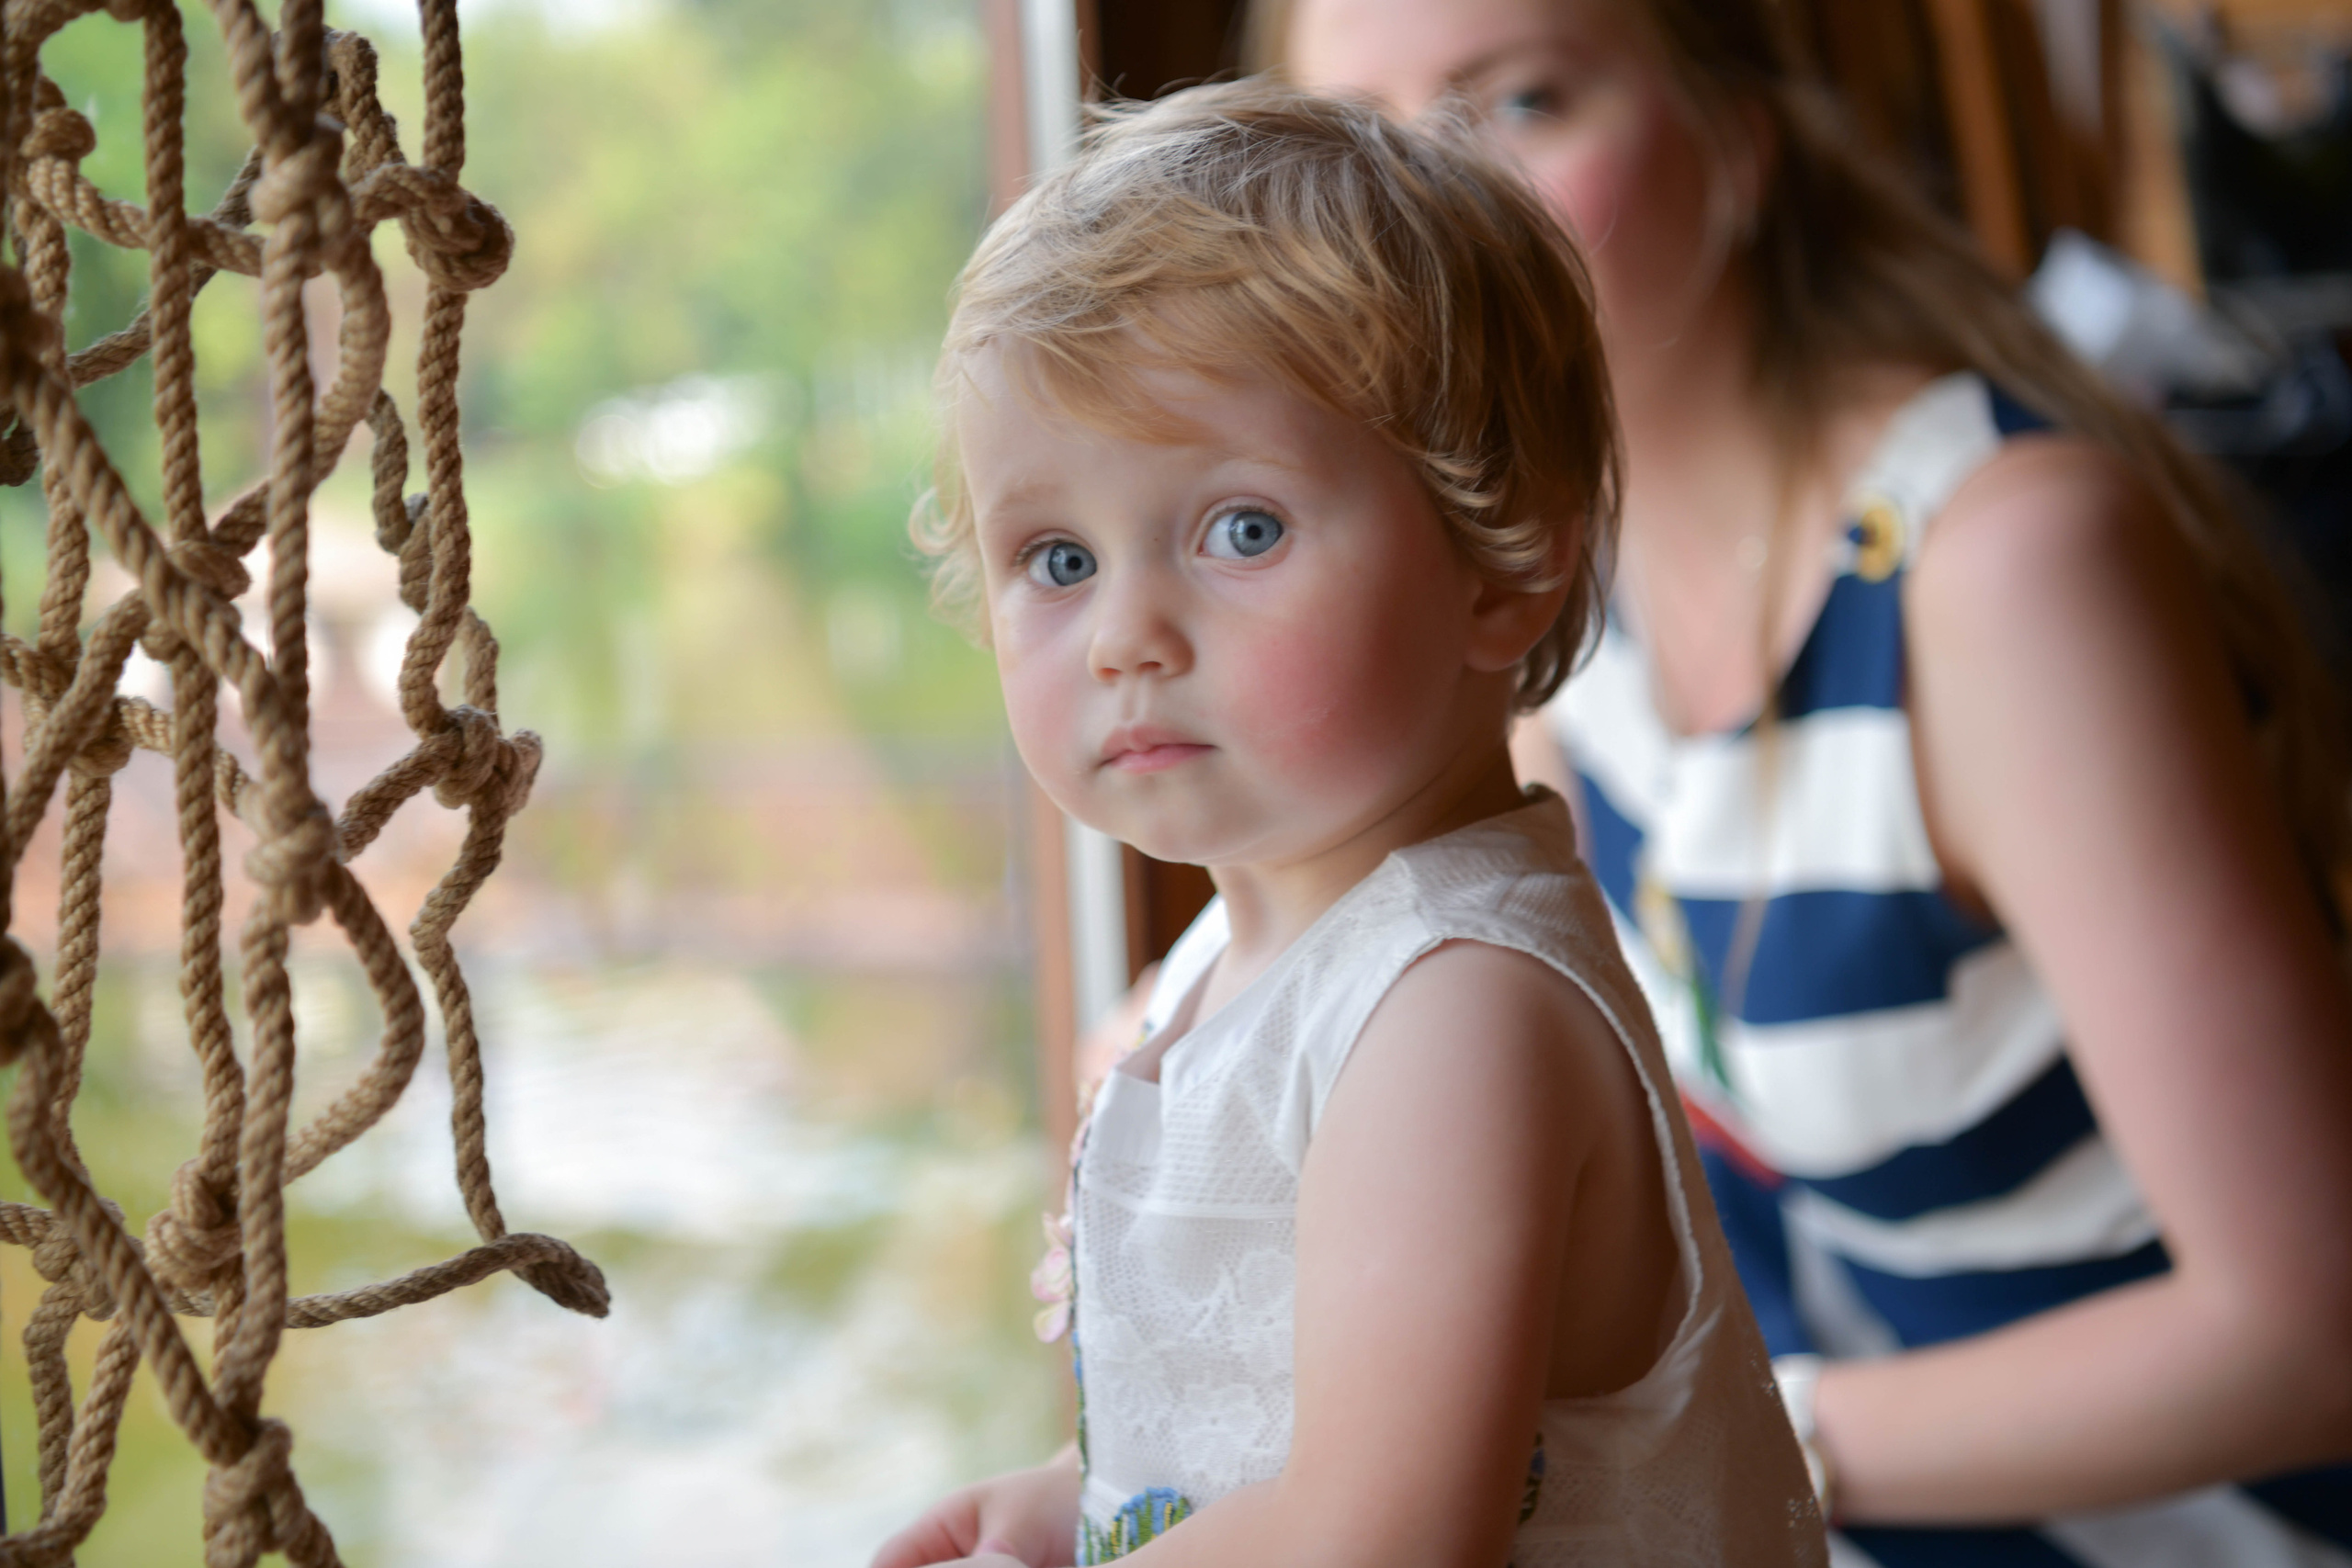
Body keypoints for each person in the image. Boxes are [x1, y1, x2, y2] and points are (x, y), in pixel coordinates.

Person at [1262, 0, 2352, 1562]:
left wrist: (1729, 1430)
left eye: (1516, 102)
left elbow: (2312, 1334)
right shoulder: (1555, 581)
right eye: (1351, 143)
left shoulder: (1994, 571)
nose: (1423, 206)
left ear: (1737, 139)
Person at [872, 80, 1826, 1568]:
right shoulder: (1245, 953)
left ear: (1500, 566)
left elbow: (1372, 1531)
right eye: (1056, 557)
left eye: (1239, 528)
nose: (1126, 633)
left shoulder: (1456, 1010)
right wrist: (1074, 1506)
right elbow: (1270, 1438)